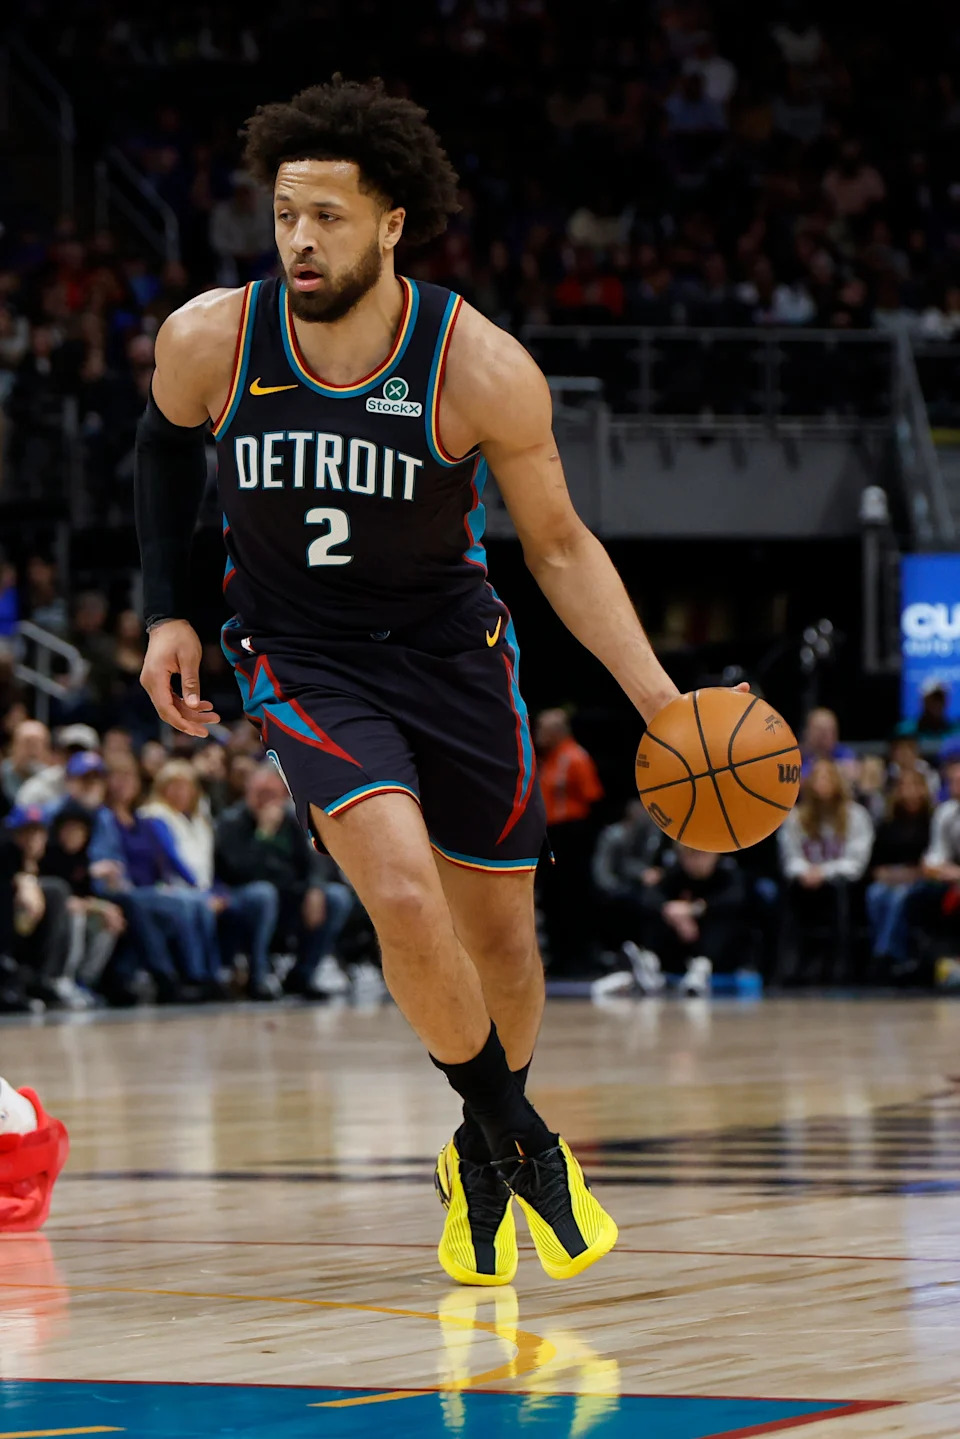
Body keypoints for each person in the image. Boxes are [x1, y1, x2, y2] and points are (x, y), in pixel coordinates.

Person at [135, 76, 727, 1287]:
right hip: (301, 657)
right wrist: (167, 611)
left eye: (330, 217)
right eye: (288, 213)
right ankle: (522, 1136)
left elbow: (560, 546)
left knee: (503, 942)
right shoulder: (210, 338)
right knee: (403, 894)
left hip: (456, 659)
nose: (301, 239)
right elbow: (158, 448)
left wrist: (661, 699)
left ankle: (475, 1143)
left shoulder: (478, 365)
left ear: (394, 220)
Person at [139, 760, 280, 999]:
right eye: (173, 786)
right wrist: (205, 892)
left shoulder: (199, 819)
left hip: (205, 888)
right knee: (197, 906)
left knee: (257, 897)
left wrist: (218, 891)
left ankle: (254, 974)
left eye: (185, 786)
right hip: (174, 887)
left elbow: (211, 865)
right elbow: (172, 859)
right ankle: (203, 976)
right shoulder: (154, 816)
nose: (180, 792)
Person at [215, 763, 354, 997]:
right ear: (248, 792)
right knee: (263, 893)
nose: (266, 801)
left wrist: (315, 890)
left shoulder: (292, 819)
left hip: (287, 898)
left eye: (272, 795)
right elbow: (239, 871)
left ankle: (303, 974)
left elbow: (315, 862)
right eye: (260, 794)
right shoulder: (231, 821)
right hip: (245, 897)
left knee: (336, 897)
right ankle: (258, 979)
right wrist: (264, 834)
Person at [777, 759, 874, 982]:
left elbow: (856, 863)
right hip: (805, 883)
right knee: (788, 890)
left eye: (827, 778)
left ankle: (840, 967)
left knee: (838, 890)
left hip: (841, 886)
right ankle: (788, 967)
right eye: (817, 778)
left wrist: (823, 872)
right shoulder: (795, 817)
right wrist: (805, 872)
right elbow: (790, 857)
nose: (822, 784)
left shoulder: (856, 816)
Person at [536, 708, 605, 978]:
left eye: (543, 728)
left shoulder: (575, 757)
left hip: (572, 838)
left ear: (557, 731)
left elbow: (594, 800)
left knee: (574, 899)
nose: (538, 733)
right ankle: (559, 959)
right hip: (551, 835)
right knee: (553, 900)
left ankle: (581, 961)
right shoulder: (547, 761)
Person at [639, 845, 749, 996]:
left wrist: (694, 909)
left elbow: (735, 899)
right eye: (689, 855)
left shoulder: (727, 872)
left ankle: (701, 969)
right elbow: (650, 898)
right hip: (680, 948)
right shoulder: (676, 872)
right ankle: (650, 965)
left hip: (718, 953)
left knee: (724, 921)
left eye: (701, 855)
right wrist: (674, 914)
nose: (694, 861)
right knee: (656, 917)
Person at [866, 768, 932, 976]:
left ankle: (886, 954)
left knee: (899, 897)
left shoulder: (932, 820)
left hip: (922, 879)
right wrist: (887, 875)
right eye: (903, 787)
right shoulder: (887, 823)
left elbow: (932, 862)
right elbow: (875, 866)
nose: (909, 792)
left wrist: (910, 875)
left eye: (914, 786)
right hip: (891, 878)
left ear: (924, 790)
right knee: (874, 894)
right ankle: (888, 952)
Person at [799, 707, 856, 778]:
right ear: (807, 732)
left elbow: (851, 772)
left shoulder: (843, 752)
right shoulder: (797, 755)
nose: (823, 735)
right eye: (818, 729)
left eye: (828, 730)